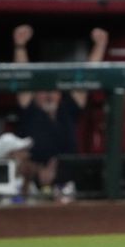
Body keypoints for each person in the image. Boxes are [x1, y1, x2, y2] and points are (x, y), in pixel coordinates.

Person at [12, 24, 108, 197]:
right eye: (43, 91)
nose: (49, 96)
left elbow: (86, 79)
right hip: (32, 186)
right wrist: (20, 46)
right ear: (34, 94)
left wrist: (100, 45)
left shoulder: (67, 109)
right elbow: (22, 77)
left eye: (53, 91)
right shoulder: (30, 110)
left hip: (69, 186)